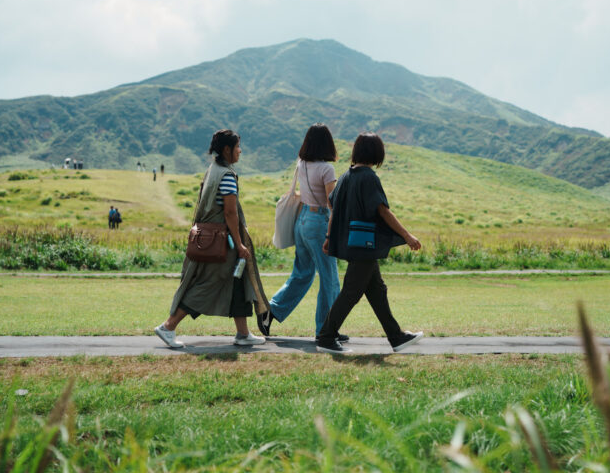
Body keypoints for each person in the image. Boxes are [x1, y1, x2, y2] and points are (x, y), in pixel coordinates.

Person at [154, 129, 270, 348]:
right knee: (210, 284)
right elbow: (230, 212)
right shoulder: (227, 175)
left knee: (237, 282)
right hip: (222, 241)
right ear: (227, 149)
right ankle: (168, 326)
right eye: (237, 147)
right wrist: (239, 243)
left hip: (209, 238)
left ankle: (243, 333)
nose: (240, 151)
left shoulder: (213, 169)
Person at [315, 132, 424, 354]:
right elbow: (382, 210)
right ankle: (326, 337)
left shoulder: (347, 175)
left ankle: (396, 337)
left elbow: (333, 207)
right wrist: (407, 236)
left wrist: (329, 237)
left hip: (352, 243)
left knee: (377, 290)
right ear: (376, 153)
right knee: (351, 292)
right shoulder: (369, 177)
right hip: (364, 245)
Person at [258, 124, 346, 342]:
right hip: (319, 222)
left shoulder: (302, 164)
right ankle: (326, 330)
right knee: (330, 279)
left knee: (302, 273)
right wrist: (331, 233)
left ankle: (272, 310)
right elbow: (332, 203)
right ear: (328, 144)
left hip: (302, 220)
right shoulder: (327, 169)